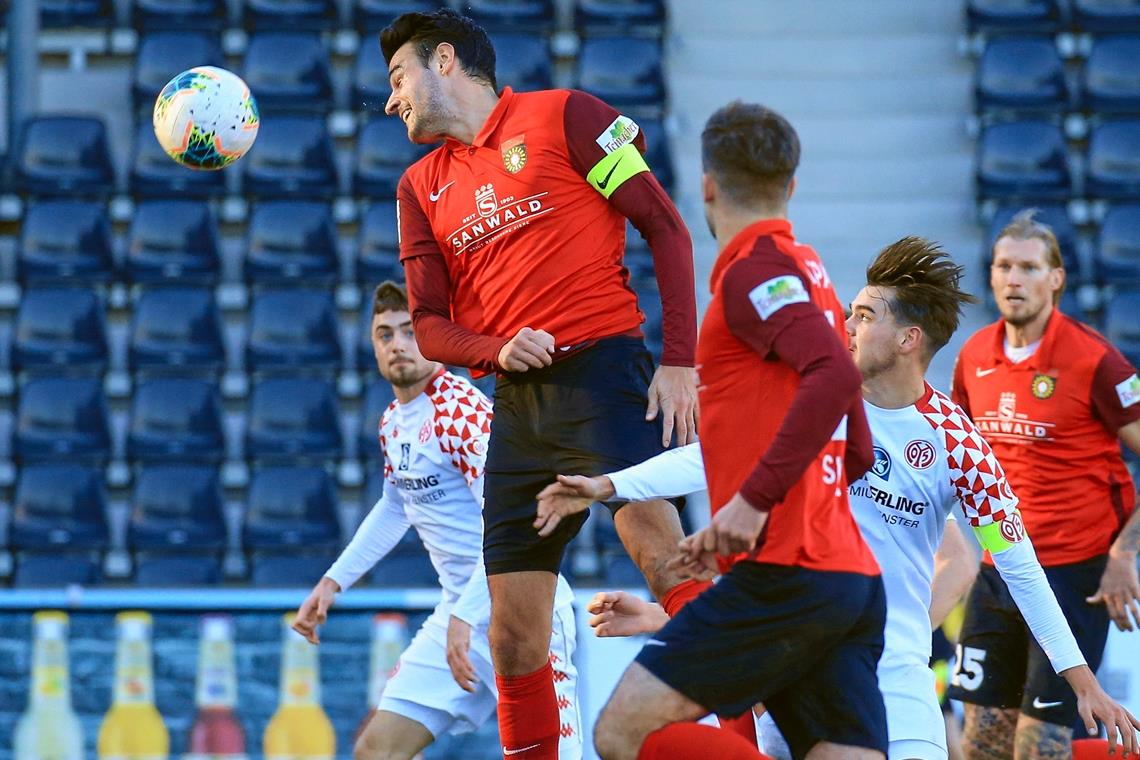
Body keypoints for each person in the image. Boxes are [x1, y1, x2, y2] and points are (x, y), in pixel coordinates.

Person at [541, 238, 1140, 760]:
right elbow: (720, 456)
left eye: (863, 315)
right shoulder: (815, 399)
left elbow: (1017, 565)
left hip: (895, 682)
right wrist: (611, 485)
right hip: (798, 673)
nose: (847, 326)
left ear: (908, 338)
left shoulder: (959, 445)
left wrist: (1080, 678)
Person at [379, 9, 702, 758]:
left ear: (446, 61)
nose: (392, 100)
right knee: (513, 637)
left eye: (398, 79)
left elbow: (666, 227)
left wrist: (679, 359)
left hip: (605, 379)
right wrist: (495, 347)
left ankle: (751, 736)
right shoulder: (418, 187)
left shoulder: (570, 117)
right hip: (518, 409)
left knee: (671, 572)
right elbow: (428, 326)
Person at [566, 100, 886, 760]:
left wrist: (751, 505)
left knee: (623, 732)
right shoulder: (808, 270)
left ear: (706, 185)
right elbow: (856, 445)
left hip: (785, 575)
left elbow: (834, 375)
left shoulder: (753, 273)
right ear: (791, 186)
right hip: (847, 577)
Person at [291, 282, 581, 760]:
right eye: (385, 335)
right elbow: (393, 506)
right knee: (375, 751)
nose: (398, 345)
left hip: (527, 610)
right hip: (460, 612)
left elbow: (514, 521)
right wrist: (332, 582)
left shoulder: (461, 412)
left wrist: (467, 615)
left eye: (410, 331)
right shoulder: (393, 421)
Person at [948, 210, 1140, 759]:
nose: (1014, 279)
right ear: (990, 275)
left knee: (1039, 748)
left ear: (1056, 278)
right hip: (997, 570)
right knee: (980, 744)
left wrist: (1124, 554)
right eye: (1004, 265)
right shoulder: (973, 355)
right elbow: (956, 458)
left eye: (1029, 267)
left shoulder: (1096, 360)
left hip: (1073, 577)